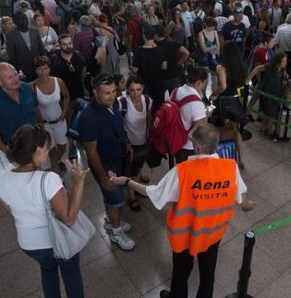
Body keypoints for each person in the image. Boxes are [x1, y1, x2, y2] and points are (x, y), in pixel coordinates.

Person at [109, 124, 255, 298]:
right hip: (212, 234)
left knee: (181, 274)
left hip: (185, 236)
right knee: (208, 276)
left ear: (197, 147)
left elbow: (153, 192)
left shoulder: (183, 172)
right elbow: (242, 196)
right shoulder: (230, 168)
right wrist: (246, 204)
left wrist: (126, 181)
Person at [0, 124, 89, 298]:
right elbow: (68, 219)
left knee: (47, 271)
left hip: (29, 244)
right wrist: (78, 182)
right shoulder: (48, 179)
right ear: (38, 151)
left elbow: (9, 207)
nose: (48, 152)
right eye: (47, 148)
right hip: (58, 241)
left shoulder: (0, 177)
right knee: (71, 275)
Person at [77, 73, 135, 251]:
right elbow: (91, 152)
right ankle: (116, 233)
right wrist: (103, 177)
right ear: (95, 92)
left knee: (112, 196)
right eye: (107, 93)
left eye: (114, 91)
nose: (112, 96)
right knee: (115, 198)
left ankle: (112, 221)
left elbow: (117, 125)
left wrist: (126, 143)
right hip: (105, 164)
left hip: (118, 157)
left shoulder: (114, 103)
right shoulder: (89, 116)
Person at [0, 62, 42, 166]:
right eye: (10, 77)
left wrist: (42, 132)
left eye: (15, 74)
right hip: (16, 150)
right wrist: (6, 150)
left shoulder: (27, 89)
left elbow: (36, 110)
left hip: (36, 143)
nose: (15, 79)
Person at [118, 75, 153, 212]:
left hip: (143, 141)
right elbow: (118, 125)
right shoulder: (122, 103)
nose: (135, 93)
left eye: (138, 89)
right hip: (129, 145)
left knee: (138, 166)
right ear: (127, 90)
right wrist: (125, 142)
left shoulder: (148, 101)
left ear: (143, 88)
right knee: (130, 170)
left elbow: (148, 120)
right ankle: (132, 196)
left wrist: (150, 136)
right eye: (132, 90)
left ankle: (137, 181)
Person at [31, 57, 71, 174]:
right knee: (52, 151)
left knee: (63, 146)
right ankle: (58, 177)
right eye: (39, 69)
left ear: (49, 69)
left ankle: (54, 163)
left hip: (60, 121)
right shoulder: (32, 87)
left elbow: (67, 96)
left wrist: (64, 112)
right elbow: (33, 107)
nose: (43, 72)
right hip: (45, 125)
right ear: (35, 71)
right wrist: (39, 125)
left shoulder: (58, 81)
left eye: (45, 68)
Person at [174, 66, 213, 163]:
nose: (204, 87)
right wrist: (207, 116)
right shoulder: (196, 103)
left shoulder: (177, 91)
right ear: (199, 83)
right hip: (188, 146)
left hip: (175, 139)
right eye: (204, 84)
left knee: (180, 170)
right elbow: (200, 130)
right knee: (188, 174)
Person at [248, 51, 288, 140]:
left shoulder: (282, 70)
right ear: (278, 61)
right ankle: (270, 131)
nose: (285, 63)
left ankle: (263, 128)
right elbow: (257, 69)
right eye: (283, 61)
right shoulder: (270, 66)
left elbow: (284, 78)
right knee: (270, 113)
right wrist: (247, 80)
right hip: (267, 94)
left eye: (285, 61)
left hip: (276, 94)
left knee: (269, 112)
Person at [131, 25, 167, 113]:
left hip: (145, 84)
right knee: (158, 108)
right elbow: (164, 66)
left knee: (146, 107)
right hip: (158, 83)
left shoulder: (139, 52)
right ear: (154, 35)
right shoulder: (160, 50)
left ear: (143, 36)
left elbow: (135, 70)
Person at [6, 12, 45, 82]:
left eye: (25, 18)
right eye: (21, 19)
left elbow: (41, 48)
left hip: (37, 66)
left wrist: (43, 62)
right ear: (15, 22)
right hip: (23, 69)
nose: (24, 20)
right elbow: (12, 55)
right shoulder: (10, 35)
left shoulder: (34, 31)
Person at [155, 24, 190, 94]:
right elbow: (187, 53)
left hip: (162, 77)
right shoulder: (173, 44)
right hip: (174, 75)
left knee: (160, 99)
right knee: (175, 98)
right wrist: (179, 62)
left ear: (155, 34)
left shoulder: (155, 47)